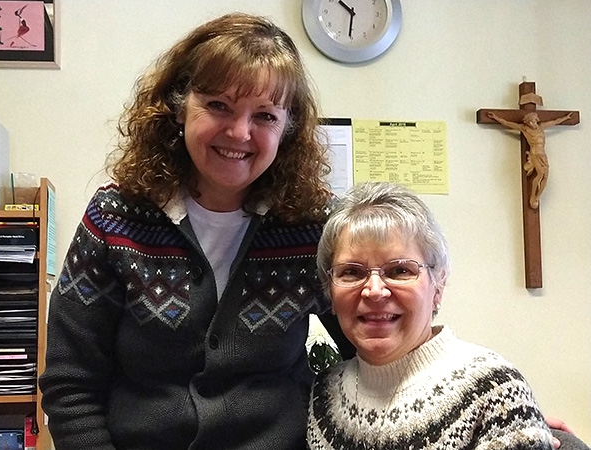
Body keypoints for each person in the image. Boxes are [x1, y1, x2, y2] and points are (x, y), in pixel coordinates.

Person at [38, 12, 352, 450]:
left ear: (288, 129)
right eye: (219, 105)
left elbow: (373, 351)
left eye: (265, 116)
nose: (239, 132)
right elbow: (71, 385)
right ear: (178, 105)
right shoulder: (115, 218)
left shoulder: (313, 228)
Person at [307, 181, 571, 450]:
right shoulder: (324, 394)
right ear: (329, 291)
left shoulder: (495, 392)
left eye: (399, 271)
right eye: (351, 272)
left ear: (438, 285)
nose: (375, 291)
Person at [487, 111, 573, 209]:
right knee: (540, 174)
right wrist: (496, 118)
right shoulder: (525, 129)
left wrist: (566, 118)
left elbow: (555, 122)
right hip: (535, 154)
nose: (532, 124)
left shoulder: (541, 127)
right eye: (529, 122)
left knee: (545, 177)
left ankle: (538, 196)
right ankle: (533, 195)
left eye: (533, 121)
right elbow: (508, 123)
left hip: (543, 155)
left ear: (536, 120)